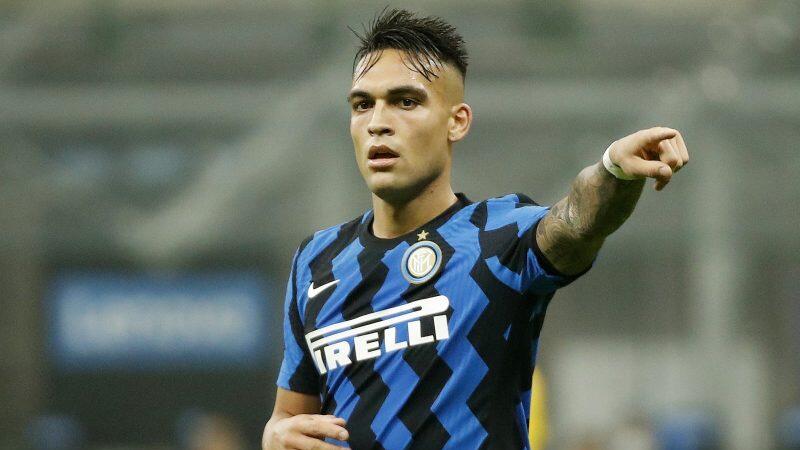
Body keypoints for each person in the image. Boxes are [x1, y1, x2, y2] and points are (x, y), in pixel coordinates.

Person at [262, 8, 689, 450]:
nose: (377, 123)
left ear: (457, 121)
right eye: (362, 104)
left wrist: (612, 171)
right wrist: (275, 437)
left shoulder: (499, 239)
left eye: (406, 102)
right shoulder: (317, 261)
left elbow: (576, 223)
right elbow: (288, 418)